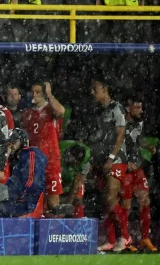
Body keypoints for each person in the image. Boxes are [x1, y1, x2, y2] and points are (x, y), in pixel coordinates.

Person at [90, 78, 130, 252]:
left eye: (95, 89)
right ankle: (112, 239)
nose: (93, 93)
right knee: (106, 203)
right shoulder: (101, 112)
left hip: (116, 160)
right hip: (103, 160)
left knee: (110, 199)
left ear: (105, 89)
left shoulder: (117, 108)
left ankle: (125, 236)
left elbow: (120, 135)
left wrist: (111, 158)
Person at [0, 128, 47, 217]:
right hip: (16, 200)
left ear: (22, 141)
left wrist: (7, 196)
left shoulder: (31, 154)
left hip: (25, 203)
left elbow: (31, 183)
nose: (11, 146)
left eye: (14, 142)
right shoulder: (18, 158)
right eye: (9, 143)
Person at [21, 82, 65, 212]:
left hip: (51, 160)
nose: (34, 95)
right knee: (34, 202)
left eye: (38, 92)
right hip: (34, 161)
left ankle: (54, 230)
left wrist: (50, 95)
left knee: (53, 202)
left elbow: (61, 111)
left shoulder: (51, 110)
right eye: (32, 92)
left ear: (45, 94)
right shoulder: (27, 113)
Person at [121, 97, 156, 252]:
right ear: (128, 109)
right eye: (137, 108)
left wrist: (147, 146)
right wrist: (125, 161)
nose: (141, 111)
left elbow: (137, 139)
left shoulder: (138, 123)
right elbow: (115, 144)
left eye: (141, 108)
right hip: (124, 170)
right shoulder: (120, 124)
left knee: (145, 201)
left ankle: (144, 238)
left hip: (137, 169)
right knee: (126, 206)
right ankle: (125, 239)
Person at [59, 140, 91, 218]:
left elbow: (76, 185)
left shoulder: (85, 162)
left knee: (78, 198)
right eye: (74, 161)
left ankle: (79, 224)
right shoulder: (59, 149)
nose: (75, 164)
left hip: (72, 175)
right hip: (60, 170)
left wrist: (67, 207)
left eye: (77, 163)